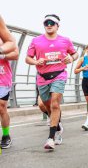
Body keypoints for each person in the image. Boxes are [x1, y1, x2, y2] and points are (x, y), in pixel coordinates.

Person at [26, 14, 78, 150]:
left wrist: (71, 59)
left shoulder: (65, 40)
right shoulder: (36, 41)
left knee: (55, 103)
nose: (49, 25)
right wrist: (36, 61)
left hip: (59, 74)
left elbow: (75, 54)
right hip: (42, 76)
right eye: (46, 23)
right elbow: (27, 58)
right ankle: (57, 123)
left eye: (52, 23)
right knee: (46, 105)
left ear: (57, 26)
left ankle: (50, 138)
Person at [0, 15, 19, 149]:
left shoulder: (5, 37)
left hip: (2, 76)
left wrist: (2, 54)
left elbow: (16, 53)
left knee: (1, 107)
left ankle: (6, 135)